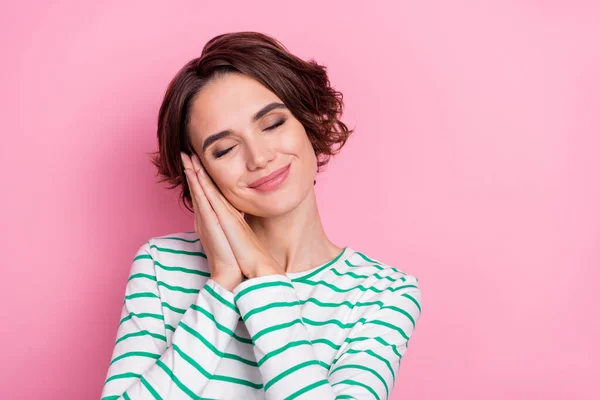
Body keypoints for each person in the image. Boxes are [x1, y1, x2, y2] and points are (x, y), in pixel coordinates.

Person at [100, 31, 422, 400]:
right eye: (224, 149)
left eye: (272, 124)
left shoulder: (383, 294)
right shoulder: (162, 265)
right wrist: (221, 284)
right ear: (199, 171)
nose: (259, 158)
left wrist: (262, 275)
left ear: (309, 119)